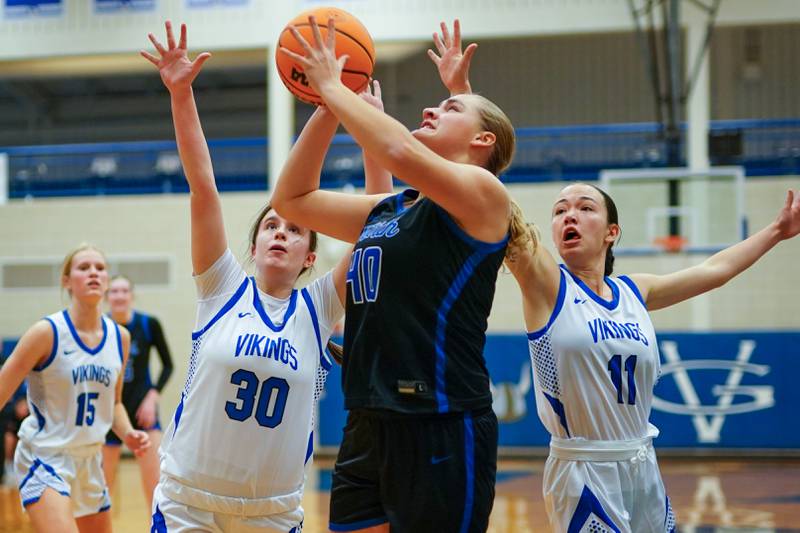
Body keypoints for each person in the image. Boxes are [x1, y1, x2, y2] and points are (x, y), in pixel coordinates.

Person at [273, 17, 529, 533]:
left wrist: (331, 85)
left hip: (440, 420)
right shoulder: (391, 208)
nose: (431, 107)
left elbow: (396, 151)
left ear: (482, 140)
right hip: (367, 417)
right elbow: (291, 199)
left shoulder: (485, 198)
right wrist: (328, 108)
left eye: (450, 106)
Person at [140, 22, 391, 533]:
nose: (280, 233)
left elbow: (380, 220)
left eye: (295, 229)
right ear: (252, 248)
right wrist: (181, 94)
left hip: (273, 511)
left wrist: (355, 115)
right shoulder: (221, 287)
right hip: (190, 502)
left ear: (308, 257)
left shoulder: (320, 307)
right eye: (270, 226)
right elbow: (203, 188)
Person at [0, 244, 150, 533]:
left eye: (100, 268)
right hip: (45, 456)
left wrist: (128, 433)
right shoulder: (46, 333)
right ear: (67, 281)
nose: (94, 272)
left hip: (90, 460)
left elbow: (115, 402)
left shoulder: (120, 338)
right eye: (84, 268)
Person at [102, 275, 174, 511]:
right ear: (107, 297)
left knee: (155, 486)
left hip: (144, 411)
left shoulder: (148, 324)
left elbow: (168, 365)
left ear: (131, 295)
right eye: (114, 291)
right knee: (103, 488)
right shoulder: (100, 326)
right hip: (111, 412)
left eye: (124, 291)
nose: (120, 296)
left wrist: (153, 397)